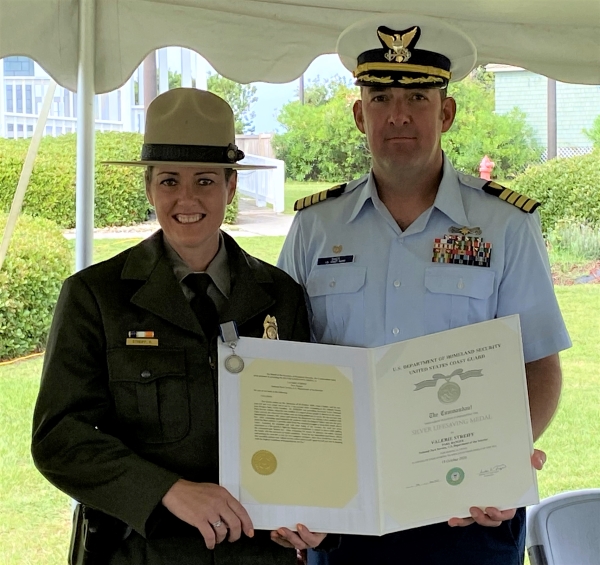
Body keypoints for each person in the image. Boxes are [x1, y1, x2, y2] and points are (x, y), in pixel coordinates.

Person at [276, 14, 571, 565]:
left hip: (467, 510)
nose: (400, 114)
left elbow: (539, 364)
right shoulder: (316, 227)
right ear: (360, 115)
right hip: (345, 511)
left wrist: (502, 464)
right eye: (382, 97)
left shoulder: (505, 224)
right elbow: (286, 366)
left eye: (417, 96)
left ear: (448, 112)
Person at [31, 88, 310, 565]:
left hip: (258, 552)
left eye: (204, 181)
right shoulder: (96, 297)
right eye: (168, 181)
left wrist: (317, 516)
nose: (186, 199)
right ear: (148, 188)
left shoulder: (279, 295)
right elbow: (60, 437)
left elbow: (310, 424)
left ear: (231, 187)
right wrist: (168, 490)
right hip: (144, 547)